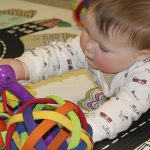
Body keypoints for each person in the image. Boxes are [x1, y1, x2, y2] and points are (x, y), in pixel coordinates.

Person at [1, 0, 150, 143]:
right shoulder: (93, 45)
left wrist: (88, 129)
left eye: (103, 48)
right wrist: (22, 66)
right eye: (87, 30)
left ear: (141, 54)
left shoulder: (145, 78)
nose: (88, 46)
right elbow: (57, 55)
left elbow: (124, 107)